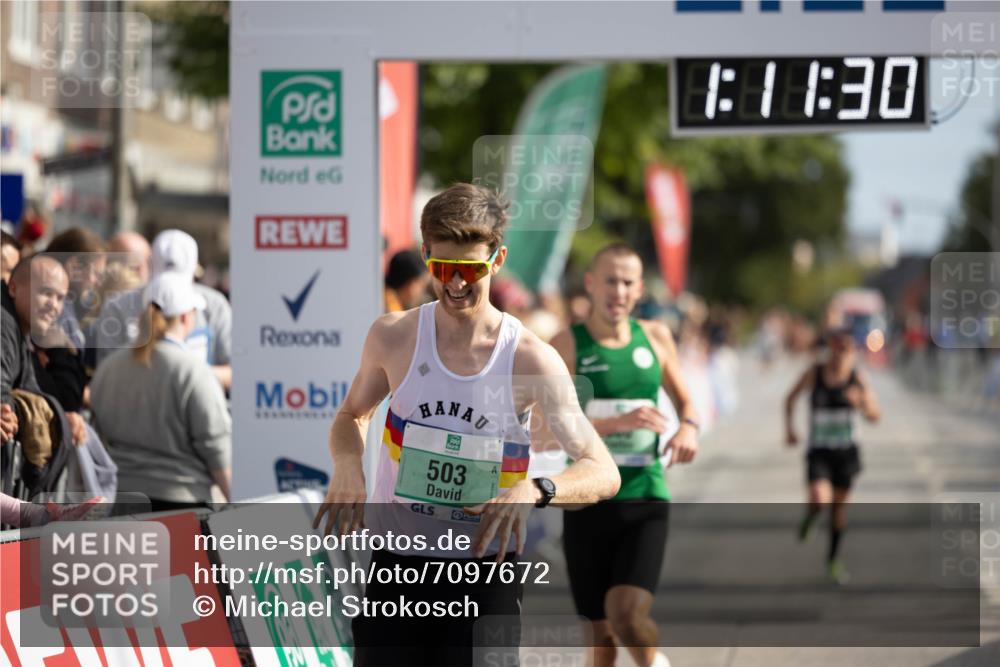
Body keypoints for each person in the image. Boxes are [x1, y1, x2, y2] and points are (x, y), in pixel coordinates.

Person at [312, 183, 620, 667]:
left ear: (497, 260)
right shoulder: (393, 336)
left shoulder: (529, 360)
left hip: (484, 573)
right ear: (424, 257)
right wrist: (348, 462)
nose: (456, 283)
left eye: (470, 269)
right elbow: (352, 414)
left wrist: (534, 490)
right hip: (399, 569)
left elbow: (602, 471)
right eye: (442, 268)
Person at [549, 244, 700, 667]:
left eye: (628, 282)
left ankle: (654, 664)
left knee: (627, 615)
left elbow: (688, 403)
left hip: (644, 497)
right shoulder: (566, 345)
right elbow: (546, 429)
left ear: (639, 290)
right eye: (610, 280)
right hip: (586, 502)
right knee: (601, 641)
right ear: (592, 285)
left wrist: (688, 428)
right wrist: (616, 424)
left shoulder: (655, 337)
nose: (619, 291)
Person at [90, 272, 232, 512]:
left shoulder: (109, 368)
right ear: (187, 317)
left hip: (123, 501)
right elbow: (215, 444)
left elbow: (100, 432)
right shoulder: (193, 371)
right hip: (183, 503)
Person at [785, 326, 881, 584]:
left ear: (853, 350)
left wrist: (860, 402)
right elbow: (790, 399)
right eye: (837, 347)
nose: (841, 353)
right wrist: (790, 430)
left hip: (847, 453)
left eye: (847, 348)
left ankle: (833, 559)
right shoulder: (814, 373)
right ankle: (812, 514)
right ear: (830, 347)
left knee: (838, 510)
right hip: (819, 451)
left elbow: (875, 416)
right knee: (820, 497)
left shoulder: (857, 378)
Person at [95, 230, 233, 391]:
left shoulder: (215, 306)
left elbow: (235, 371)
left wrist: (183, 375)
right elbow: (106, 375)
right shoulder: (117, 307)